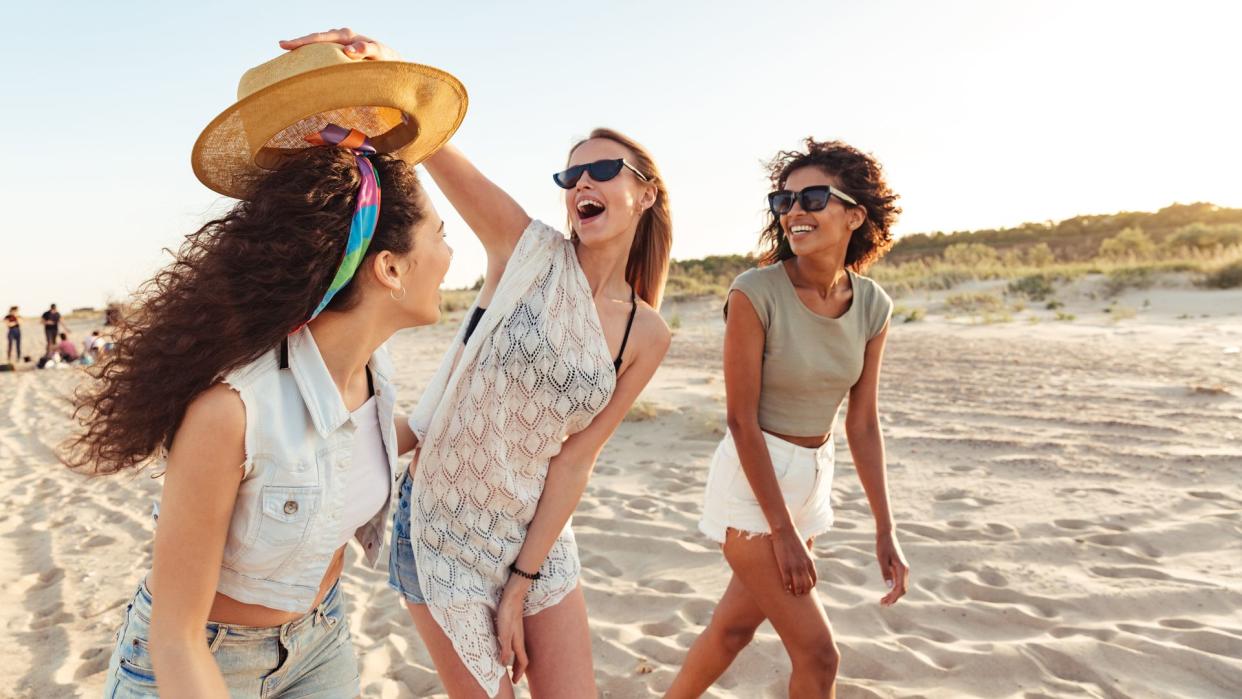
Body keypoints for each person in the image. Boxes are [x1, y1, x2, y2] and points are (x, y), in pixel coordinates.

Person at [281, 28, 675, 699]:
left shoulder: (647, 333)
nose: (582, 180)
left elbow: (575, 461)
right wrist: (381, 72)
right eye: (571, 173)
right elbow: (430, 145)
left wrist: (522, 581)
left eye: (603, 169)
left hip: (537, 539)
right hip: (440, 527)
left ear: (644, 194)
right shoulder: (524, 250)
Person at [66, 42, 467, 696]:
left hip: (322, 640)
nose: (452, 256)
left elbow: (353, 437)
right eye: (440, 236)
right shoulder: (230, 411)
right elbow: (176, 634)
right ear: (389, 267)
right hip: (204, 660)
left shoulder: (372, 368)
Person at [666, 139, 910, 699]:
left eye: (814, 197)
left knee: (731, 630)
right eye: (785, 200)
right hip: (755, 485)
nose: (795, 211)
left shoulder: (873, 305)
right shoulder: (756, 292)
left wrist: (885, 528)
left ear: (855, 214)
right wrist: (783, 533)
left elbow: (863, 425)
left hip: (812, 480)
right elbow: (740, 420)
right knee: (820, 655)